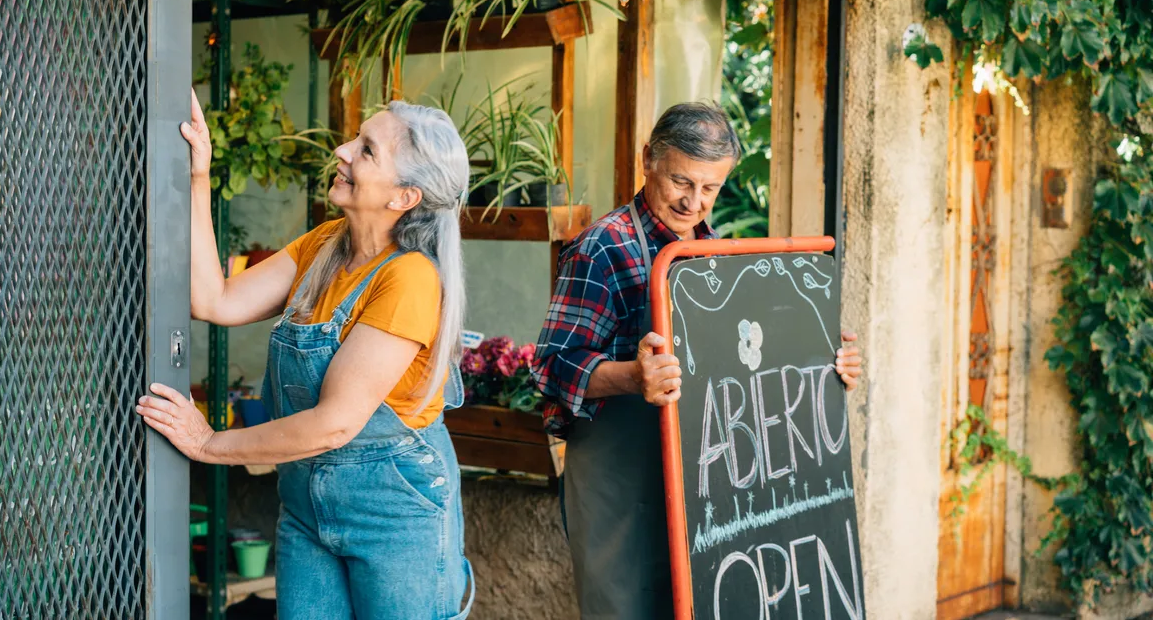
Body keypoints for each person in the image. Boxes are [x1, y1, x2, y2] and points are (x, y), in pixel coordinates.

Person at [137, 90, 474, 620]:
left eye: (365, 150)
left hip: (395, 515)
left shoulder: (409, 277)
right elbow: (214, 299)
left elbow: (335, 424)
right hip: (306, 506)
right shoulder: (326, 246)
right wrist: (199, 176)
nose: (341, 150)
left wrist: (208, 443)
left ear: (403, 196)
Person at [532, 102, 863, 619]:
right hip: (621, 486)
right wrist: (631, 377)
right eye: (681, 183)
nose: (694, 203)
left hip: (703, 485)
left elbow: (754, 358)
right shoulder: (603, 247)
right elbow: (551, 367)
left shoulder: (717, 257)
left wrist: (823, 360)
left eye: (710, 189)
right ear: (648, 160)